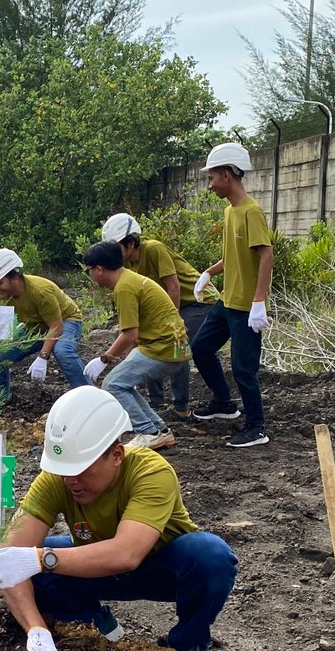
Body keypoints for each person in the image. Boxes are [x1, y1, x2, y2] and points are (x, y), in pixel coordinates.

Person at [0, 386, 237, 651]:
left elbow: (127, 554)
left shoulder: (151, 473)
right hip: (97, 567)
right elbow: (8, 559)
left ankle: (189, 644)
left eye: (81, 470)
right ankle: (91, 621)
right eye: (64, 470)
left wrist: (41, 559)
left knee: (211, 555)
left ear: (117, 454)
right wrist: (35, 628)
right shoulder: (58, 478)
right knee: (28, 562)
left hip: (162, 568)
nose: (71, 480)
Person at [189, 142, 274, 448]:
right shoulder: (230, 211)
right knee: (200, 348)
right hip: (227, 302)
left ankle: (256, 427)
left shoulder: (251, 212)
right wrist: (209, 272)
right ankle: (224, 404)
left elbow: (266, 255)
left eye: (212, 177)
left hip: (245, 307)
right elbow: (233, 255)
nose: (210, 184)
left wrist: (259, 301)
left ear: (227, 174)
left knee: (243, 368)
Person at [80, 240, 190, 451]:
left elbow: (130, 334)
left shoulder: (124, 288)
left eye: (89, 271)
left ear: (99, 269)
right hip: (174, 346)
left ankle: (148, 432)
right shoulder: (130, 279)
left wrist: (104, 359)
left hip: (162, 348)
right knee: (123, 382)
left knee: (113, 384)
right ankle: (160, 430)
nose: (90, 275)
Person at [101, 213, 204, 420]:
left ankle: (181, 408)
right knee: (147, 342)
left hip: (196, 300)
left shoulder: (154, 249)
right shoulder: (127, 263)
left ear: (130, 243)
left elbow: (173, 286)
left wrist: (173, 322)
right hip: (169, 306)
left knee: (177, 343)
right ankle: (157, 402)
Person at [0, 248, 88, 396]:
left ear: (14, 277)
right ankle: (0, 401)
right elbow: (3, 327)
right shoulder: (2, 295)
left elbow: (56, 327)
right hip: (34, 325)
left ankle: (87, 394)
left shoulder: (40, 291)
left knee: (63, 352)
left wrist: (43, 356)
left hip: (66, 320)